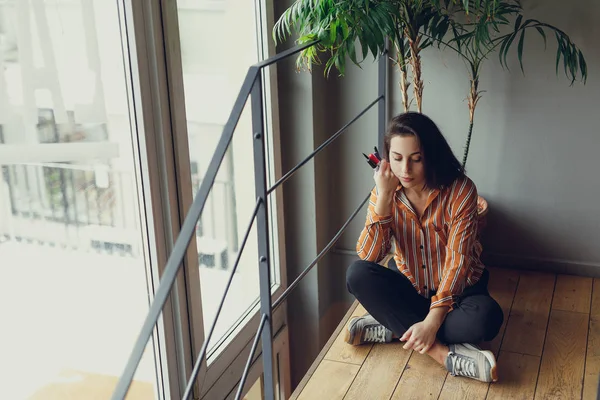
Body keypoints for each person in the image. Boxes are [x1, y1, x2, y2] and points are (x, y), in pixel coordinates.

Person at [345, 112, 504, 383]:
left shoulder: (460, 191)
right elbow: (369, 256)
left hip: (460, 291)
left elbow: (459, 261)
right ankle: (443, 355)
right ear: (386, 159)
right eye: (396, 159)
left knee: (485, 319)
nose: (405, 170)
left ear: (430, 156)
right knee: (357, 274)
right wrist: (383, 196)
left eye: (415, 159)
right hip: (411, 286)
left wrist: (432, 321)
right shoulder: (386, 191)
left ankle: (394, 327)